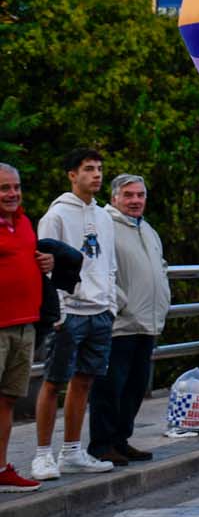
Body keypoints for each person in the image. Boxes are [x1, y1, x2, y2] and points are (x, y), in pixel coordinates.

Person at [32, 148, 117, 480]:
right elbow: (45, 265)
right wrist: (59, 310)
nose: (96, 175)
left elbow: (109, 263)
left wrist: (110, 304)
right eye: (88, 169)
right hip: (69, 311)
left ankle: (71, 451)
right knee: (54, 382)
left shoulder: (104, 216)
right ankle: (42, 454)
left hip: (100, 310)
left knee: (84, 381)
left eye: (99, 169)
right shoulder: (56, 215)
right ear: (72, 175)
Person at [89, 174, 170, 465]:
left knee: (135, 387)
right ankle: (101, 444)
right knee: (110, 387)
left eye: (140, 195)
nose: (135, 200)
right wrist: (119, 304)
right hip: (120, 324)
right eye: (128, 195)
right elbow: (96, 268)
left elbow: (159, 266)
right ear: (114, 198)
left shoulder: (147, 229)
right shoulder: (105, 225)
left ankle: (120, 440)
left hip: (147, 322)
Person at [0, 164, 53, 492]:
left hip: (24, 323)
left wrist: (46, 262)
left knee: (7, 399)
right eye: (4, 188)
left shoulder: (23, 223)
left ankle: (1, 468)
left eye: (16, 187)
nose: (12, 194)